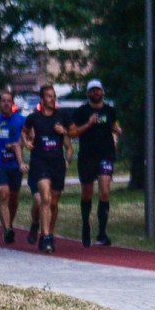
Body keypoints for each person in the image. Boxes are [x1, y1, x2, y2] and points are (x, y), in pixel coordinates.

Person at [22, 84, 72, 253]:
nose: (53, 99)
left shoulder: (62, 115)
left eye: (54, 96)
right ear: (42, 100)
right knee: (46, 198)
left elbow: (73, 133)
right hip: (40, 162)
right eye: (49, 96)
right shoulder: (34, 118)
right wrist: (27, 142)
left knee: (54, 203)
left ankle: (47, 232)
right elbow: (24, 131)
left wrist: (63, 131)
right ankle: (47, 237)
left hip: (57, 163)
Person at [73, 79, 121, 246]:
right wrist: (89, 123)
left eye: (98, 90)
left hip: (105, 155)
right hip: (87, 156)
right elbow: (74, 132)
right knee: (87, 193)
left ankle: (102, 232)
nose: (96, 93)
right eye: (92, 90)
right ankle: (86, 227)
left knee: (105, 192)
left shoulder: (110, 111)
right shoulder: (81, 112)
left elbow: (115, 125)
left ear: (102, 92)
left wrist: (117, 130)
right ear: (88, 93)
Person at [0, 91, 28, 244]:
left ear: (12, 103)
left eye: (9, 101)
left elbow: (29, 137)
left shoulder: (21, 120)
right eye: (3, 101)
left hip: (15, 164)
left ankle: (10, 224)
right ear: (0, 103)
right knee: (3, 193)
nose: (6, 104)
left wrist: (18, 144)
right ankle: (7, 229)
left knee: (13, 198)